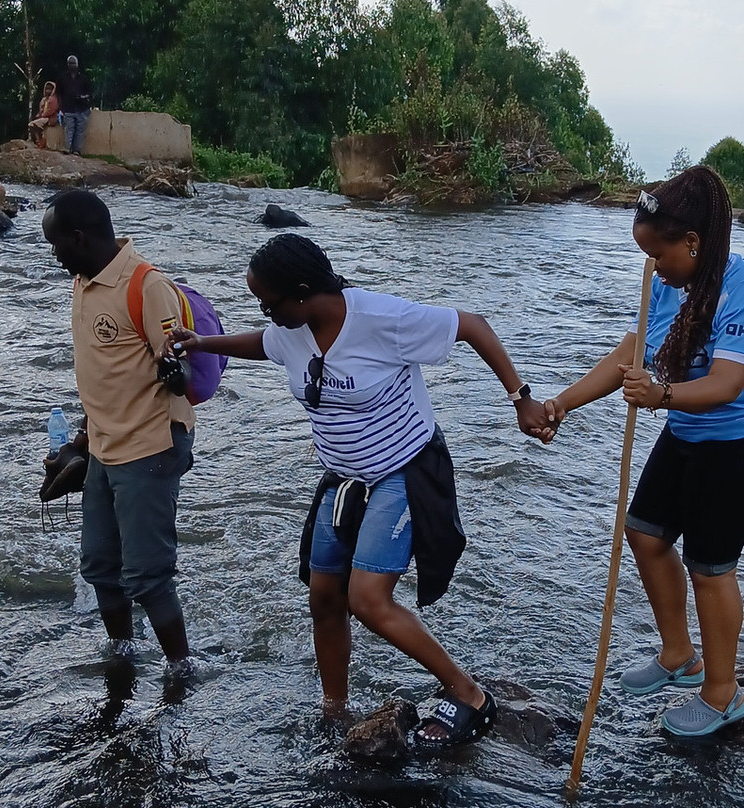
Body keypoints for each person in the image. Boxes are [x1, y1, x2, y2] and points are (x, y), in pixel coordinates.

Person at [167, 233, 551, 750]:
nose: (265, 313)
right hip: (344, 477)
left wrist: (521, 399)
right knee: (324, 596)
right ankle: (335, 710)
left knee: (367, 599)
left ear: (304, 293)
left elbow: (472, 326)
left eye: (269, 302)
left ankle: (471, 695)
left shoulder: (382, 320)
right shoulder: (291, 329)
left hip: (403, 470)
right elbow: (263, 343)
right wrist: (203, 343)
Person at [543, 166, 744, 736]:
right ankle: (679, 654)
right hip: (687, 428)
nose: (652, 266)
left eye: (659, 254)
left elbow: (727, 383)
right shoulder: (663, 285)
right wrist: (564, 403)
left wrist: (660, 395)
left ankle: (723, 693)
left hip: (743, 439)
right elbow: (629, 354)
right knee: (646, 533)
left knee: (710, 565)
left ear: (693, 242)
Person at [42, 189, 197, 674]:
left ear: (79, 238)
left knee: (148, 576)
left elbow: (185, 367)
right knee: (100, 567)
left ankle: (180, 671)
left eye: (55, 243)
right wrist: (81, 440)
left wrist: (176, 372)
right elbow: (107, 373)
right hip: (104, 447)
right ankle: (123, 658)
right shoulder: (83, 282)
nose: (53, 254)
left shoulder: (147, 287)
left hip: (149, 446)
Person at [56, 55, 92, 155]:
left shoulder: (83, 79)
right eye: (70, 63)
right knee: (69, 129)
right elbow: (58, 93)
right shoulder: (62, 78)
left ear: (77, 64)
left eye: (73, 63)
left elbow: (90, 93)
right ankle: (67, 148)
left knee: (80, 131)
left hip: (82, 109)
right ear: (67, 65)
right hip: (68, 108)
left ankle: (77, 150)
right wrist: (60, 107)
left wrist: (82, 97)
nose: (72, 65)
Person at [28, 81, 60, 148]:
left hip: (51, 118)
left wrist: (43, 115)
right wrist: (39, 115)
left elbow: (52, 110)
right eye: (46, 89)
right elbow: (41, 110)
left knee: (36, 124)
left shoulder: (54, 99)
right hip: (43, 117)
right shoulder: (44, 99)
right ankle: (39, 140)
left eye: (50, 89)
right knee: (31, 125)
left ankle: (41, 141)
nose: (47, 91)